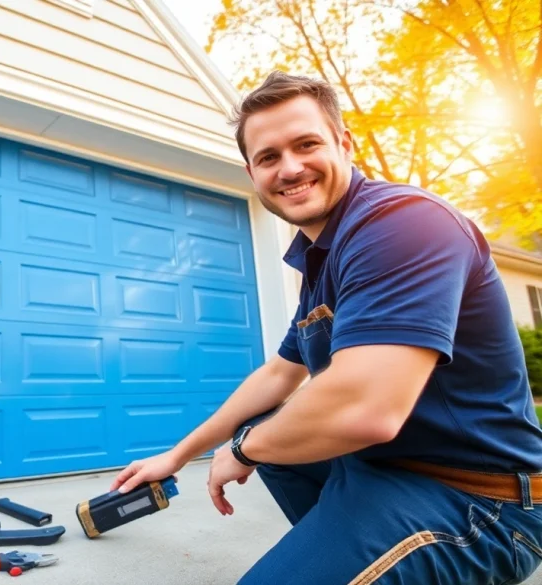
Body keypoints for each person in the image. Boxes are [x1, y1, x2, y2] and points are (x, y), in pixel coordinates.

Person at [109, 71, 542, 584]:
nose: (290, 168)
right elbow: (277, 374)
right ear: (252, 173)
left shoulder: (404, 224)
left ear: (344, 143)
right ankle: (351, 551)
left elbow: (365, 407)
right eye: (269, 157)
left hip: (480, 500)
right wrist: (179, 456)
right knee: (267, 428)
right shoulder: (321, 261)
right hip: (381, 470)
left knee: (265, 440)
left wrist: (244, 449)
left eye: (306, 144)